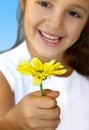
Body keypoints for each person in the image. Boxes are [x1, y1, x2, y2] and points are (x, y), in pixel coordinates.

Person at [0, 0, 89, 129]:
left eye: (73, 13)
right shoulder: (4, 73)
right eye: (45, 4)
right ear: (24, 3)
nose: (55, 24)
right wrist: (15, 123)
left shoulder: (84, 76)